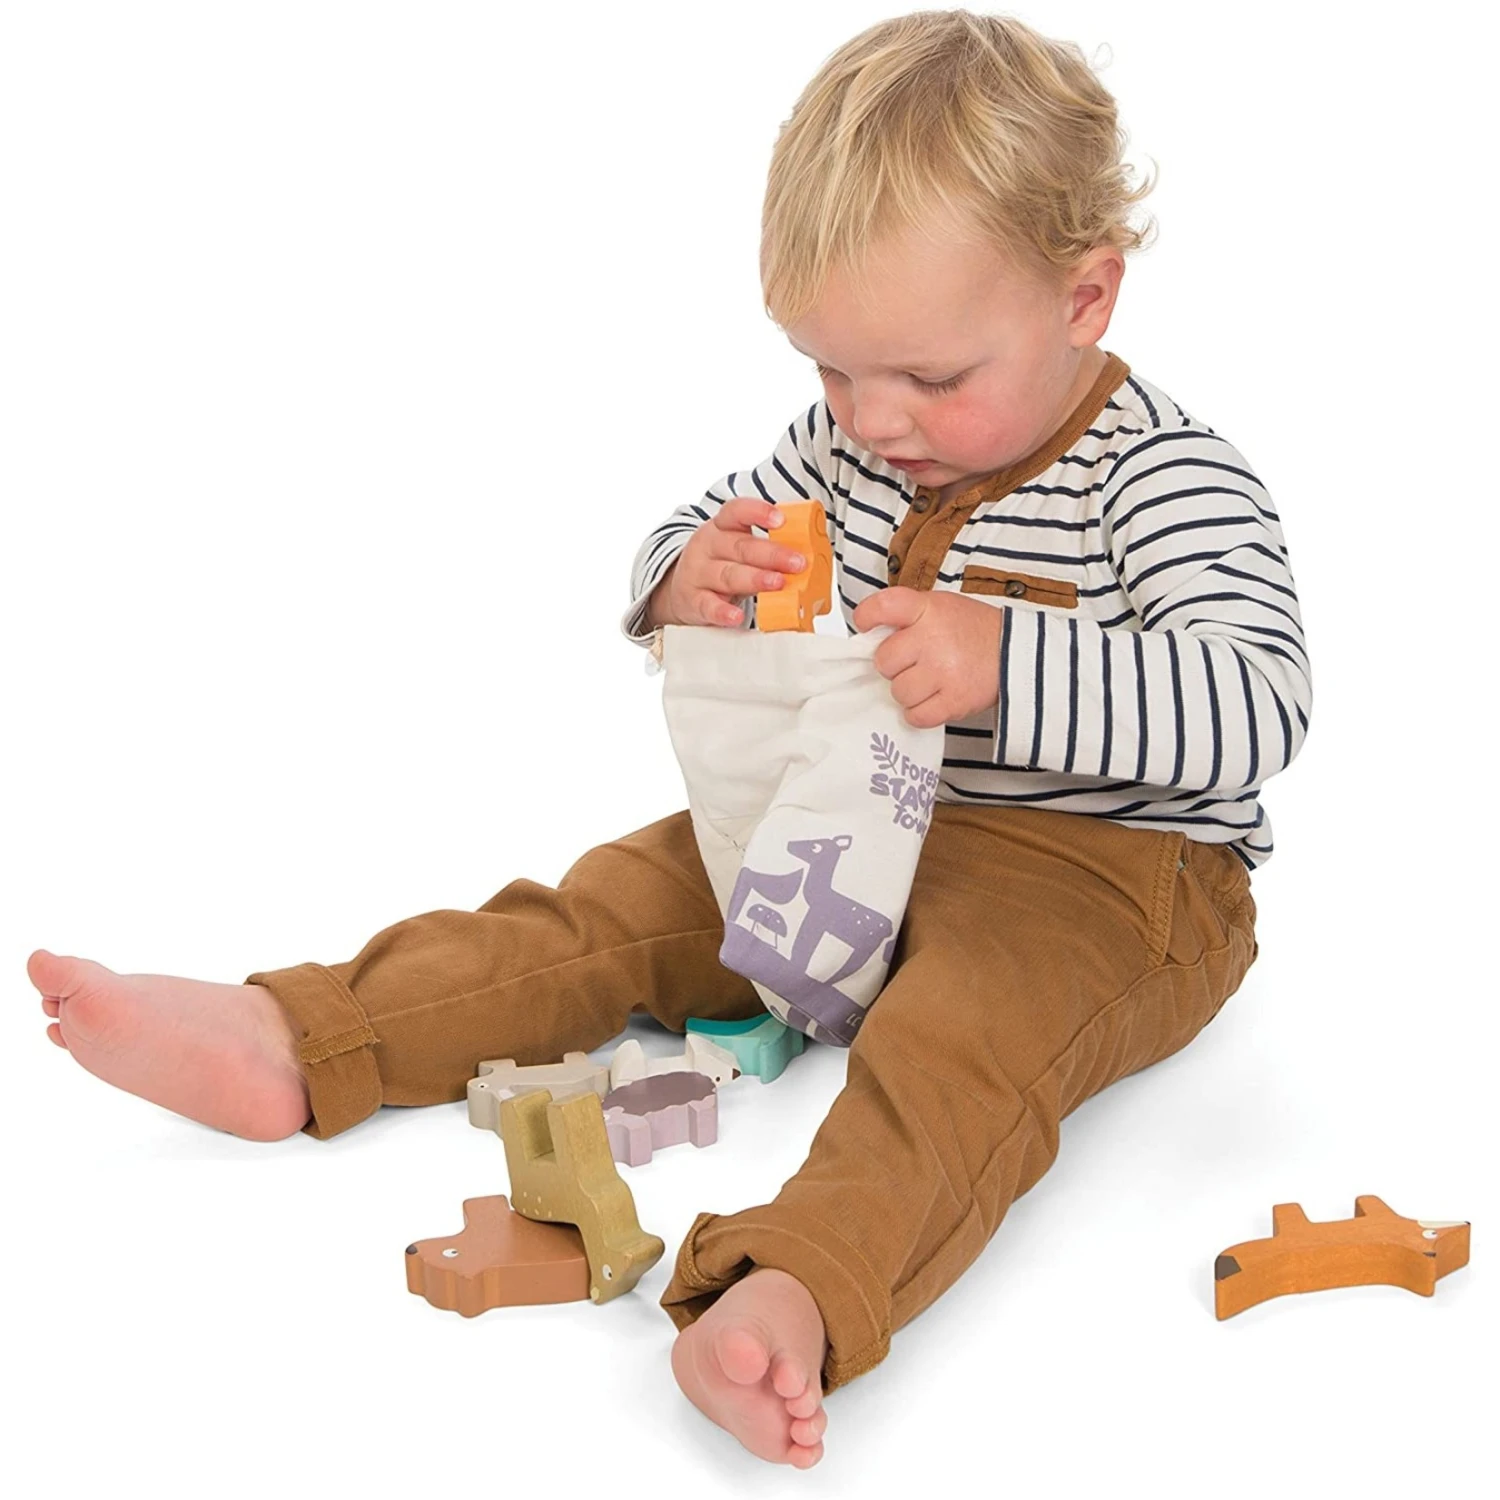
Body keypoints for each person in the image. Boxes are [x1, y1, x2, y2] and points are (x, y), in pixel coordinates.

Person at [25, 9, 1311, 1469]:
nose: (873, 421)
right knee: (614, 904)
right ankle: (309, 1036)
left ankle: (800, 1280)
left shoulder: (1166, 478)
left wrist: (1010, 661)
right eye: (833, 373)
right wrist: (682, 577)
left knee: (963, 1043)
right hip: (859, 812)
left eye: (932, 381)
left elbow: (1259, 703)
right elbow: (697, 524)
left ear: (1085, 296)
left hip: (1105, 876)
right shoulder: (848, 440)